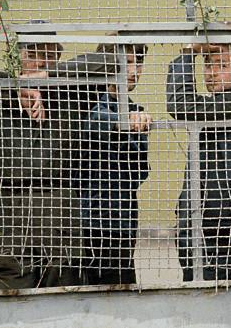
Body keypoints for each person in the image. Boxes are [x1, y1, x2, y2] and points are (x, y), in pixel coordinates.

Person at [0, 25, 112, 289]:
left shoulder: (73, 94)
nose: (42, 60)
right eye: (34, 53)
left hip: (60, 205)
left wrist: (47, 78)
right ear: (19, 56)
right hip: (13, 205)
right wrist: (15, 90)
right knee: (6, 292)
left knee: (62, 293)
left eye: (50, 54)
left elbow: (107, 62)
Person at [166, 42, 231, 281]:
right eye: (208, 64)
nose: (211, 72)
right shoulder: (218, 105)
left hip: (229, 230)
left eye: (222, 65)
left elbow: (182, 105)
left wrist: (189, 52)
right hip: (203, 224)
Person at [80, 43, 151, 285]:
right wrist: (123, 123)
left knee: (121, 287)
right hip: (86, 221)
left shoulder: (135, 110)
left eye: (137, 63)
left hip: (122, 220)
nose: (133, 70)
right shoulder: (84, 101)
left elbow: (140, 171)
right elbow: (89, 122)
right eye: (126, 62)